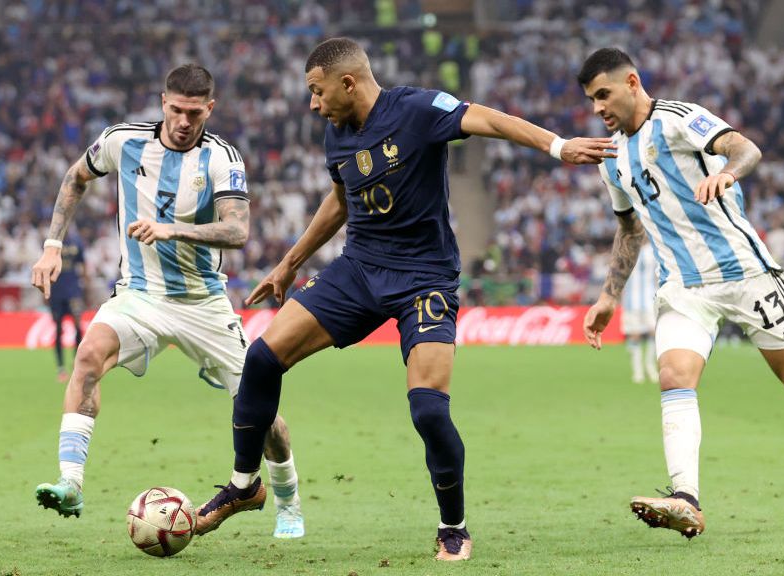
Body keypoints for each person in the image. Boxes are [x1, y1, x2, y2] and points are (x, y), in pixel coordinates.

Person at [190, 37, 612, 561]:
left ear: (348, 83)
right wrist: (290, 263)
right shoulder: (336, 132)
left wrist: (557, 146)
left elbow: (490, 119)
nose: (314, 104)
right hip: (360, 270)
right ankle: (244, 485)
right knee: (262, 358)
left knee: (429, 411)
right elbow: (341, 200)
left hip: (424, 279)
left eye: (318, 91)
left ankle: (453, 526)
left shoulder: (417, 109)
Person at [577, 48, 784, 539]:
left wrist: (727, 172)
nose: (598, 107)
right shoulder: (611, 160)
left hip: (746, 273)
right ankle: (686, 498)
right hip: (684, 287)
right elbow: (630, 229)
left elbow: (745, 147)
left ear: (631, 82)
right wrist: (609, 296)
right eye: (591, 100)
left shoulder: (678, 118)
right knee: (673, 375)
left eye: (603, 94)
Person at [30, 64, 305, 539]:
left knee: (264, 417)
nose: (183, 121)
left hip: (203, 303)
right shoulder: (122, 141)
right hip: (139, 295)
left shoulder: (222, 157)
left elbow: (237, 229)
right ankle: (71, 482)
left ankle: (288, 503)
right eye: (176, 110)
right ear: (163, 102)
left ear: (209, 109)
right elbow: (76, 177)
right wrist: (52, 245)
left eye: (194, 113)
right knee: (88, 355)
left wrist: (172, 229)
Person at [49, 234, 86, 383]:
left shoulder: (76, 242)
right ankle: (61, 367)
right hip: (56, 292)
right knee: (58, 329)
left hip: (73, 291)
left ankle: (77, 363)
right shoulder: (51, 244)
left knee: (78, 326)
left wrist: (85, 287)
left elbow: (83, 264)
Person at [621, 242, 658, 383]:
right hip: (631, 301)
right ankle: (637, 370)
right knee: (634, 335)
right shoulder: (627, 248)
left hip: (650, 299)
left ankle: (650, 366)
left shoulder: (653, 249)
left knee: (654, 332)